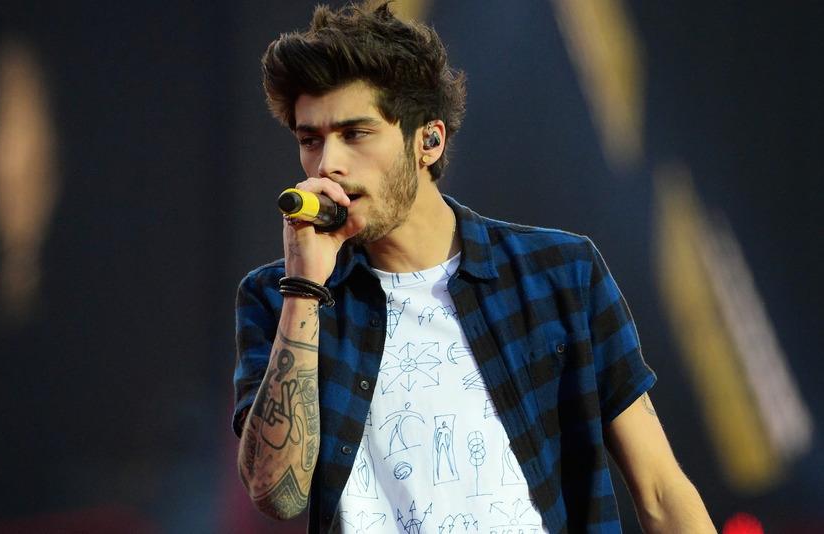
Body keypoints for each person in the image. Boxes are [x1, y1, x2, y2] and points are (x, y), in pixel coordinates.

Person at [232, 3, 715, 533]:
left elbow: (661, 491)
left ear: (429, 140)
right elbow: (276, 493)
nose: (328, 165)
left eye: (356, 133)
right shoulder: (277, 296)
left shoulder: (559, 274)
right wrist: (304, 287)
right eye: (310, 140)